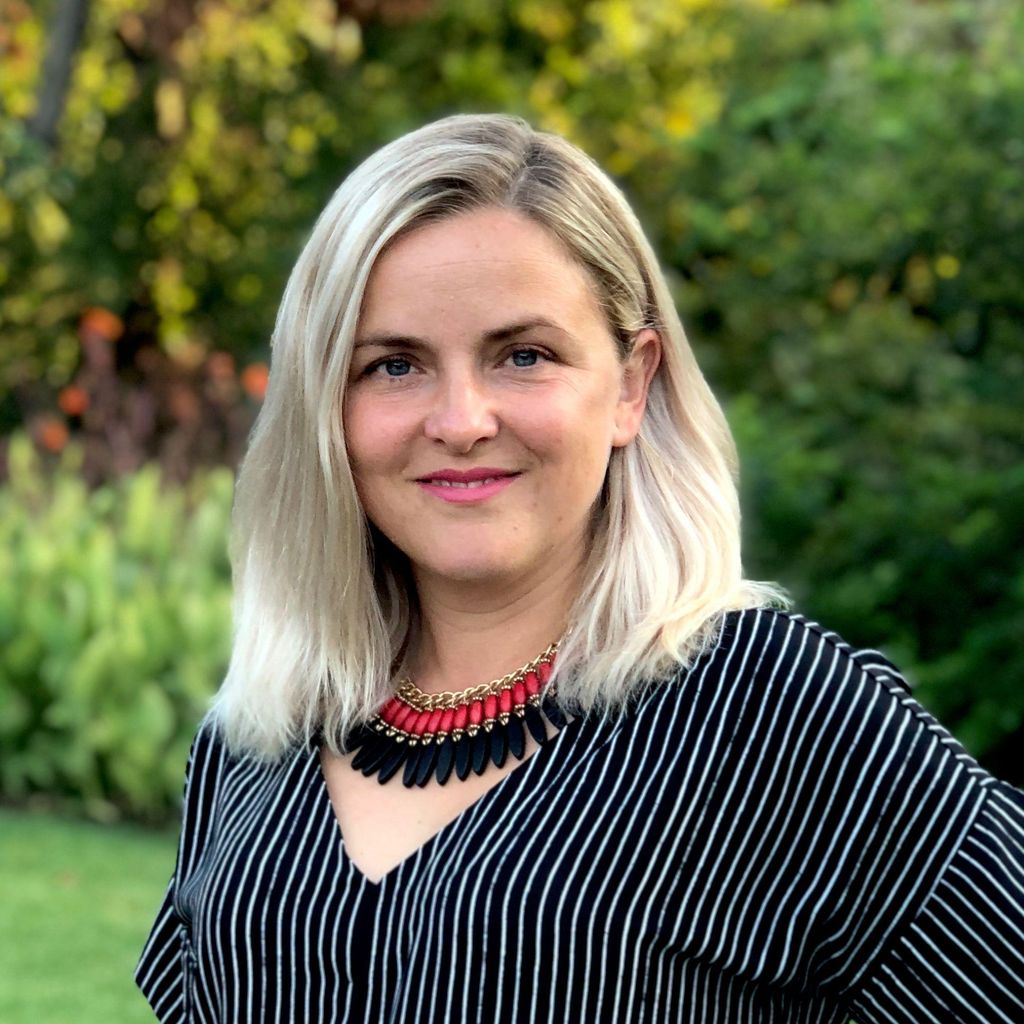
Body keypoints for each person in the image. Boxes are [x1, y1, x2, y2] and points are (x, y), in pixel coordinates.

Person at [135, 114, 1024, 1023]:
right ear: (328, 404)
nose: (461, 419)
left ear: (632, 384)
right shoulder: (261, 732)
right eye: (394, 366)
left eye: (524, 355)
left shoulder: (782, 718)